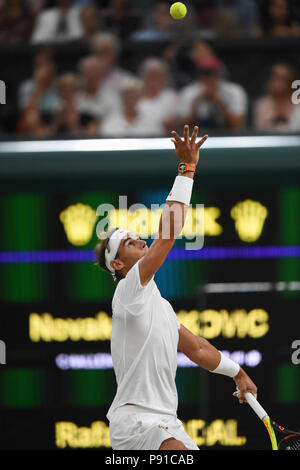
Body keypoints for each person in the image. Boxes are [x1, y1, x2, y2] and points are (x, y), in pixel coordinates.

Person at [94, 124, 258, 450]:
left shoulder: (160, 308)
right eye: (128, 241)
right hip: (139, 423)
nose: (139, 239)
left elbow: (196, 348)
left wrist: (237, 372)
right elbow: (167, 236)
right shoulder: (128, 292)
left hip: (166, 422)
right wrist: (186, 170)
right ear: (118, 264)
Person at [178, 56, 248, 130]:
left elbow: (236, 125)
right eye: (206, 73)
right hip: (196, 137)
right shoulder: (189, 92)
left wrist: (219, 103)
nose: (210, 77)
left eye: (214, 73)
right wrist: (196, 103)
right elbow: (185, 128)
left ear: (221, 73)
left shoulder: (234, 91)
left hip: (227, 137)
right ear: (199, 75)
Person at [138, 58, 179, 136]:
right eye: (151, 76)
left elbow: (176, 120)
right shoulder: (136, 97)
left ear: (164, 78)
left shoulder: (172, 97)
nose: (154, 80)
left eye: (157, 76)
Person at [253, 63, 300, 131]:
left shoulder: (298, 103)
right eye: (275, 78)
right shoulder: (262, 105)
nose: (278, 83)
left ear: (291, 80)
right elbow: (259, 130)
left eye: (283, 79)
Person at [75, 55, 120, 122]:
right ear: (81, 75)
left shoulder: (113, 98)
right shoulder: (73, 98)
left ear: (102, 74)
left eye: (95, 71)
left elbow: (115, 123)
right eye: (88, 72)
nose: (92, 75)